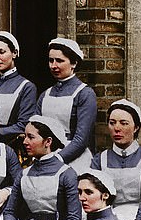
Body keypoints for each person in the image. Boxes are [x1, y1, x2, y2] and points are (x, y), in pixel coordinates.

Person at [90, 99, 141, 220]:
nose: (117, 128)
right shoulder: (99, 160)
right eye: (112, 123)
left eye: (124, 123)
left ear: (136, 127)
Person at [36, 37, 97, 175]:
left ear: (74, 63)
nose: (54, 66)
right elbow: (35, 130)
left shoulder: (84, 94)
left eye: (60, 61)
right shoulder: (45, 95)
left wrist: (57, 159)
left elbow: (81, 139)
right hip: (46, 155)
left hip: (75, 159)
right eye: (51, 60)